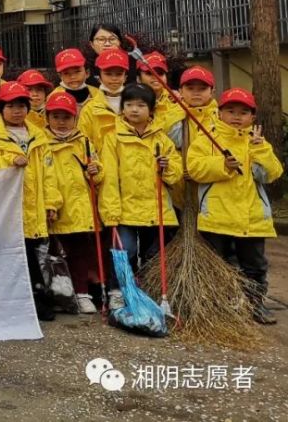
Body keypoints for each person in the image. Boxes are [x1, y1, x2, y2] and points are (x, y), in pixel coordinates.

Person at [186, 88, 284, 324]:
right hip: (217, 217)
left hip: (252, 219)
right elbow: (195, 168)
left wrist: (260, 149)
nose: (237, 116)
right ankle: (221, 306)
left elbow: (272, 173)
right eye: (230, 111)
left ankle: (255, 305)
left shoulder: (257, 141)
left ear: (252, 117)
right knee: (220, 265)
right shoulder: (206, 139)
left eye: (243, 112)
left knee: (255, 266)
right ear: (219, 113)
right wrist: (223, 165)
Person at [0, 82, 54, 320]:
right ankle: (30, 300)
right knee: (15, 253)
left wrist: (52, 203)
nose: (16, 111)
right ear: (1, 109)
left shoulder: (39, 136)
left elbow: (49, 173)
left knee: (34, 252)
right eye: (11, 106)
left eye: (21, 105)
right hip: (9, 208)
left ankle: (36, 299)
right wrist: (9, 162)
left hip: (35, 206)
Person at [97, 84, 182, 273]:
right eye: (129, 104)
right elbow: (109, 178)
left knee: (154, 256)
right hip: (125, 211)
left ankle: (149, 292)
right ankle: (121, 290)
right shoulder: (113, 139)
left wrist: (166, 167)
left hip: (156, 210)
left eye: (141, 105)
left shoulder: (161, 139)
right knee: (125, 251)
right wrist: (111, 212)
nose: (134, 110)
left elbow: (175, 175)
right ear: (122, 108)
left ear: (151, 110)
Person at [42, 92, 105, 315]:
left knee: (80, 254)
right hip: (55, 209)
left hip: (80, 209)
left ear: (75, 118)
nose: (61, 122)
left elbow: (97, 173)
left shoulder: (84, 142)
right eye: (56, 116)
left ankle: (82, 293)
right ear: (47, 117)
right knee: (55, 256)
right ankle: (60, 295)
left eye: (66, 117)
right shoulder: (41, 143)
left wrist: (95, 171)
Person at [79, 47, 128, 153]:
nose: (114, 78)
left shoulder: (136, 104)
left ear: (125, 77)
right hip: (102, 167)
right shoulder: (89, 109)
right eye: (108, 74)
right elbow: (83, 143)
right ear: (99, 77)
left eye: (119, 74)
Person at [174, 66, 219, 149]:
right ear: (180, 91)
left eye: (202, 89)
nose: (196, 93)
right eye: (190, 88)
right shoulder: (173, 115)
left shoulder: (220, 117)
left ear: (212, 92)